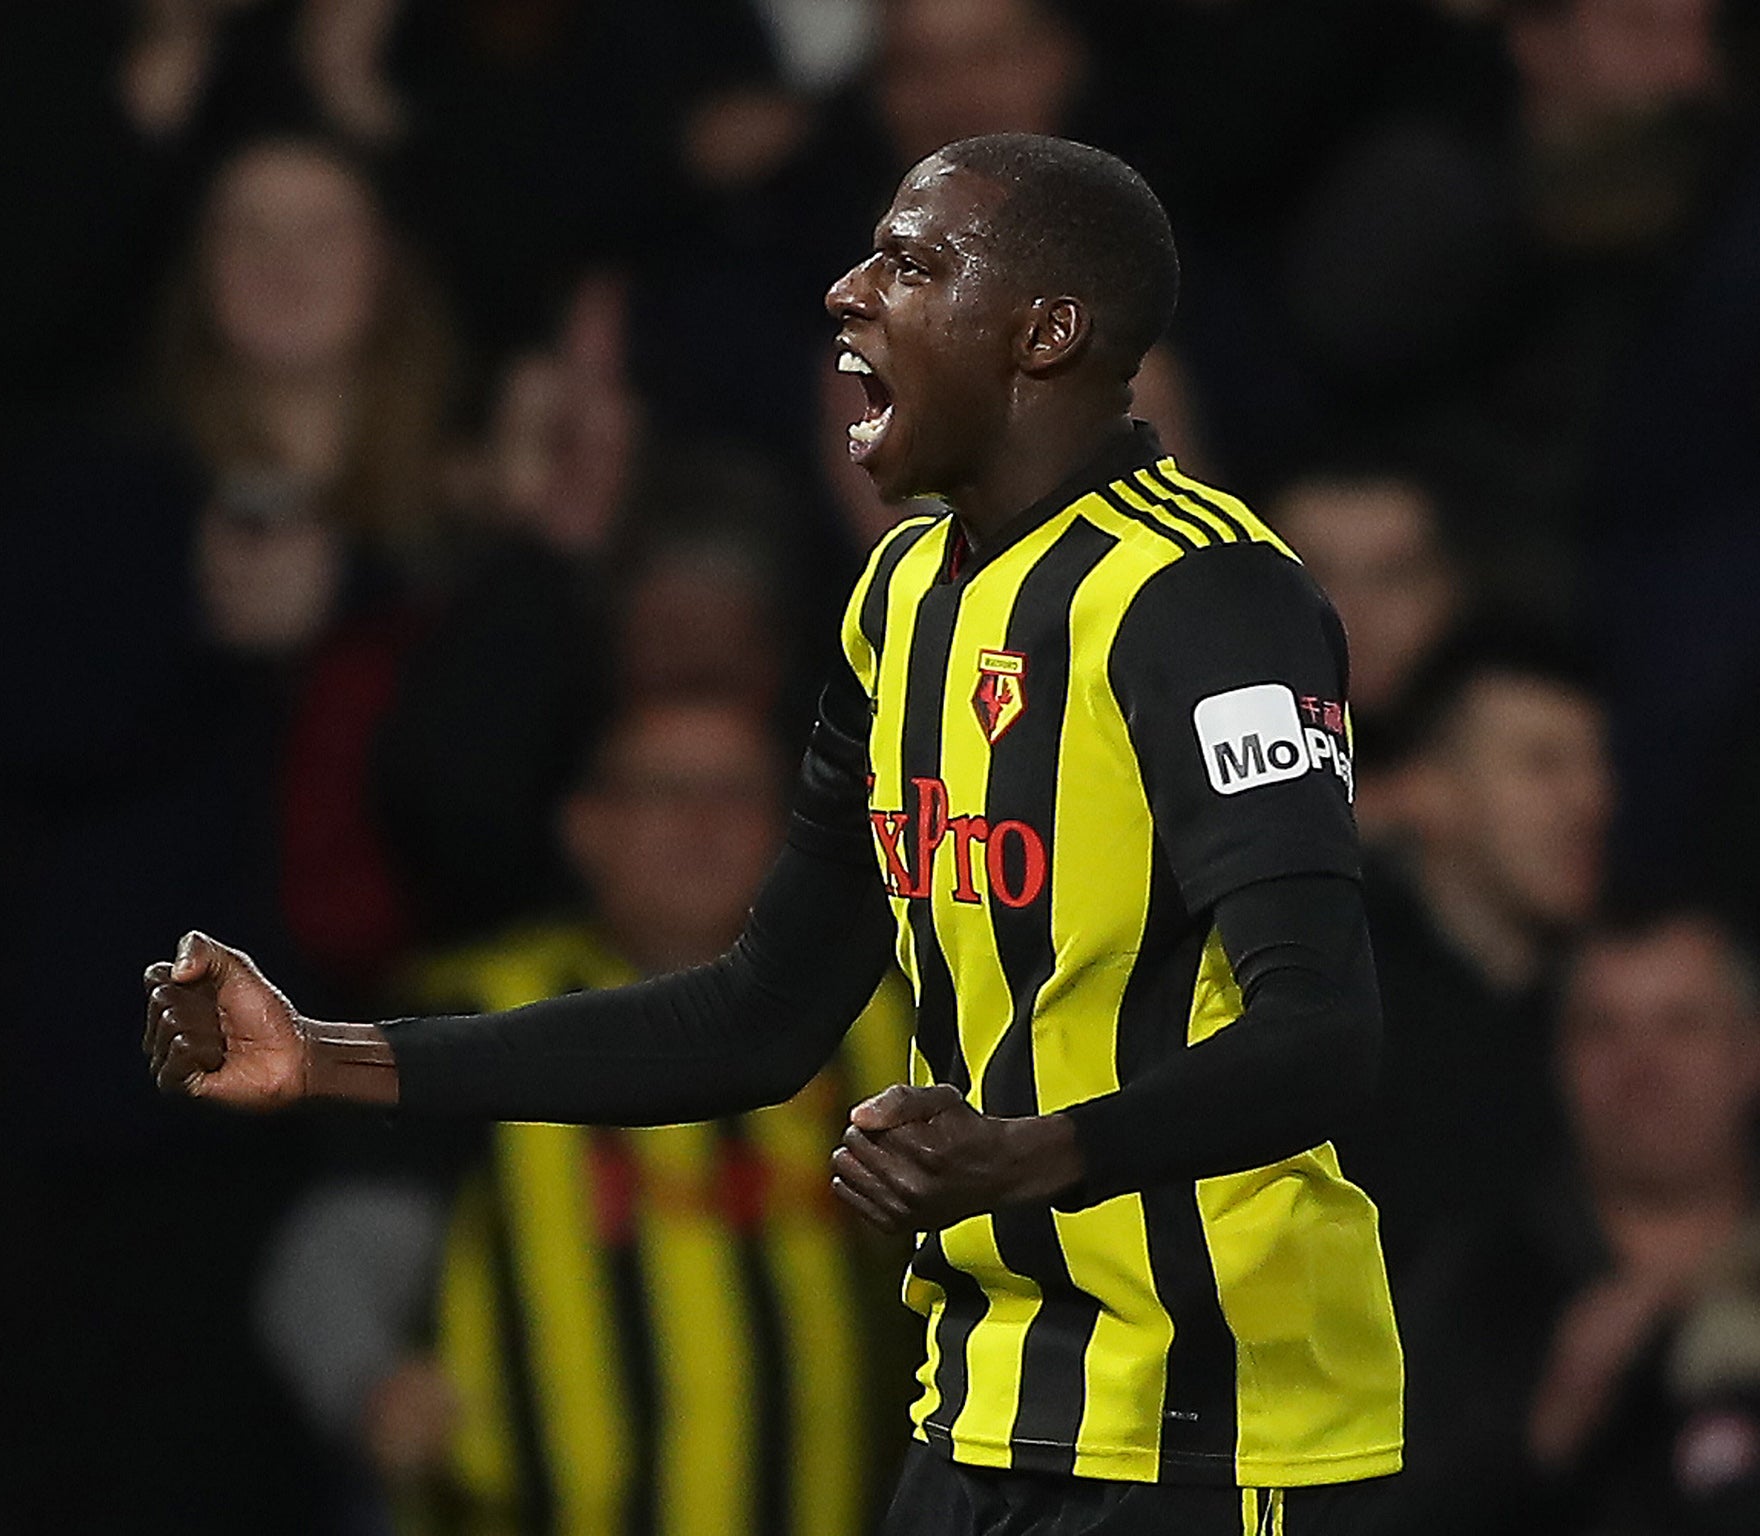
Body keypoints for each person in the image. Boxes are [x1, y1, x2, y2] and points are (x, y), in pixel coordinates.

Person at [147, 134, 1402, 1533]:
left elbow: (1323, 1033)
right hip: (984, 1407)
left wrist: (1035, 1152)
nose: (847, 292)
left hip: (1215, 1425)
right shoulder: (900, 601)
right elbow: (758, 1016)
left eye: (913, 264)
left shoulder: (1207, 595)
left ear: (1046, 334)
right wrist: (325, 1056)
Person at [260, 698, 915, 1535]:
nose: (700, 824)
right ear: (585, 827)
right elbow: (333, 1261)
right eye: (663, 792)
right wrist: (369, 1384)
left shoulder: (882, 1021)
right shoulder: (475, 1010)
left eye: (735, 794)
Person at [1384, 907, 1760, 1536]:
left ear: (1749, 1053)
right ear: (1558, 1060)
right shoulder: (1477, 1286)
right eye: (1602, 1030)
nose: (1643, 1068)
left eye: (1682, 1026)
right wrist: (1545, 1430)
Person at [1338, 629, 1612, 1271]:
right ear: (1428, 790)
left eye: (1598, 762)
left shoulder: (1609, 1000)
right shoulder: (1347, 1020)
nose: (1591, 800)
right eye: (1543, 764)